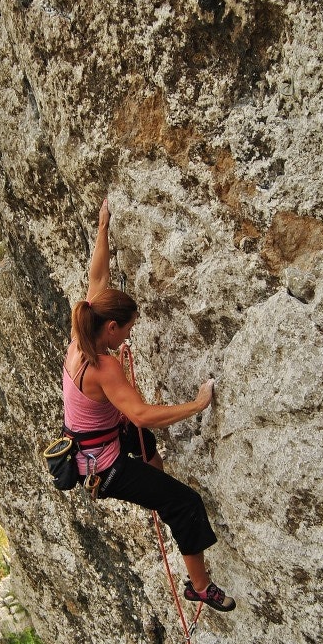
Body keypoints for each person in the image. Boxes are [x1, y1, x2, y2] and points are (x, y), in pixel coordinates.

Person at [62, 198, 235, 612]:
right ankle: (199, 586)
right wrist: (195, 405)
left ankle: (155, 476)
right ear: (111, 327)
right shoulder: (103, 366)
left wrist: (103, 226)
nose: (127, 337)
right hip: (105, 467)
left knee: (141, 441)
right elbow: (140, 414)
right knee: (184, 502)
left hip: (95, 438)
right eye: (127, 330)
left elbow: (97, 273)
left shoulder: (81, 334)